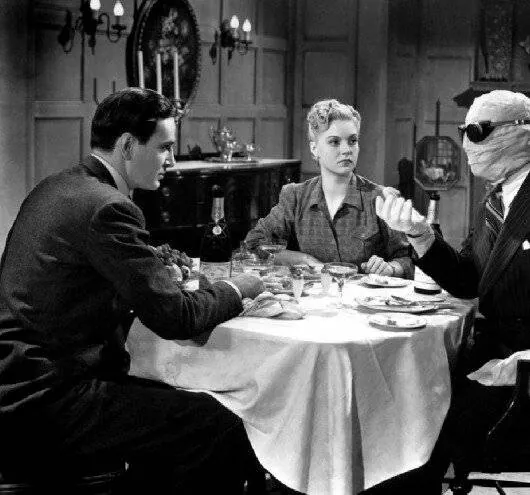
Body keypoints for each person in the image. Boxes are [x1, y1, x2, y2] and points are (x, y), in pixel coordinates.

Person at [0, 87, 266, 493]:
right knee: (222, 422)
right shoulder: (108, 207)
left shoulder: (55, 187)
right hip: (47, 399)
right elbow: (177, 318)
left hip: (18, 383)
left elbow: (79, 282)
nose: (172, 161)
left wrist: (154, 270)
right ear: (127, 145)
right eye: (164, 148)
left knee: (181, 403)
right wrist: (240, 286)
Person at [375, 89, 530, 492]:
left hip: (521, 368)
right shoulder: (495, 200)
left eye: (478, 132)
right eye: (464, 132)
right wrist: (420, 235)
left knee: (426, 427)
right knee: (399, 403)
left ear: (522, 131)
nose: (467, 144)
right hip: (490, 352)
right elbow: (467, 281)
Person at [244, 99, 413, 278]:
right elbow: (255, 243)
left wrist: (391, 268)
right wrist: (303, 259)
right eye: (334, 142)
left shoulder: (380, 198)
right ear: (314, 148)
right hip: (311, 294)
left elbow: (409, 259)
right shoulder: (295, 197)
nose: (347, 150)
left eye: (353, 141)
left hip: (362, 295)